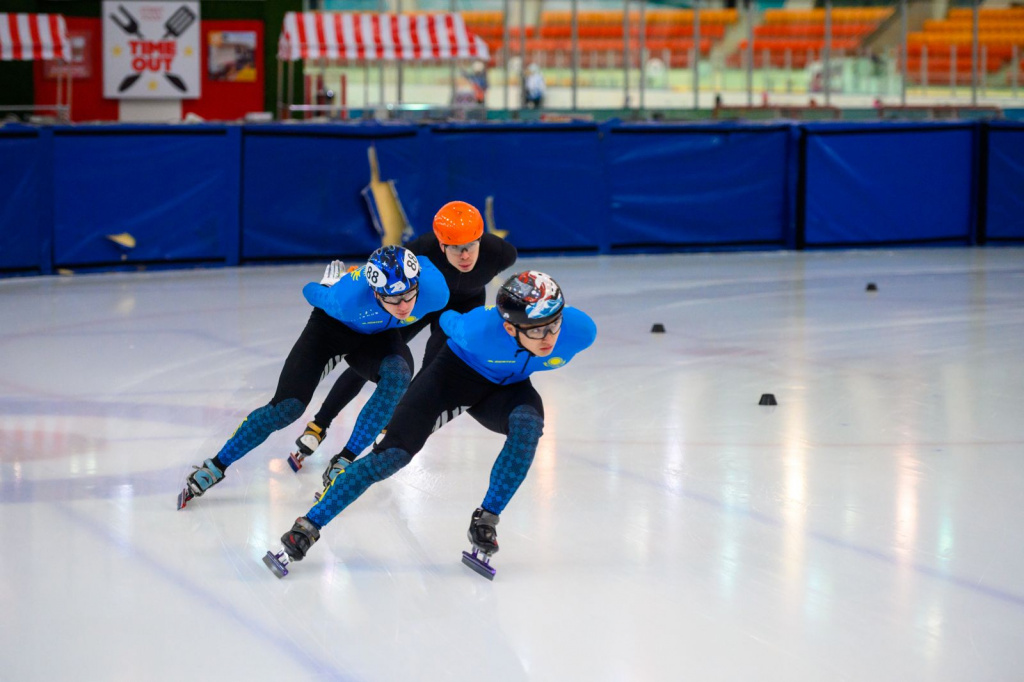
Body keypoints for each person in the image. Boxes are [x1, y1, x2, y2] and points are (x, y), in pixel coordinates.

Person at [263, 270, 598, 579]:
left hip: (507, 391)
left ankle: (487, 519)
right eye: (537, 329)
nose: (549, 337)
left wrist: (548, 328)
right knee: (390, 457)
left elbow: (553, 334)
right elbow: (449, 319)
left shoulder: (579, 331)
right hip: (452, 379)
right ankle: (308, 526)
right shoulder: (478, 331)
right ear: (510, 327)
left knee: (528, 426)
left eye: (554, 324)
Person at [176, 244, 449, 509]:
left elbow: (424, 259)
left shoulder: (436, 291)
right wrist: (325, 287)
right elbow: (308, 291)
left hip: (376, 336)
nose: (403, 306)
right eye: (393, 299)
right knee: (287, 408)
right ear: (376, 294)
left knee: (398, 376)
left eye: (409, 295)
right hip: (331, 328)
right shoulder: (347, 299)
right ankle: (216, 465)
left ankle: (345, 459)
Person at [287, 200, 518, 483]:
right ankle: (319, 424)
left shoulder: (502, 254)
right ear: (441, 245)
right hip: (420, 301)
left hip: (465, 306)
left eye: (471, 245)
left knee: (433, 368)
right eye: (456, 247)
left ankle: (394, 420)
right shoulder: (421, 249)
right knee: (374, 360)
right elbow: (380, 273)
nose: (465, 255)